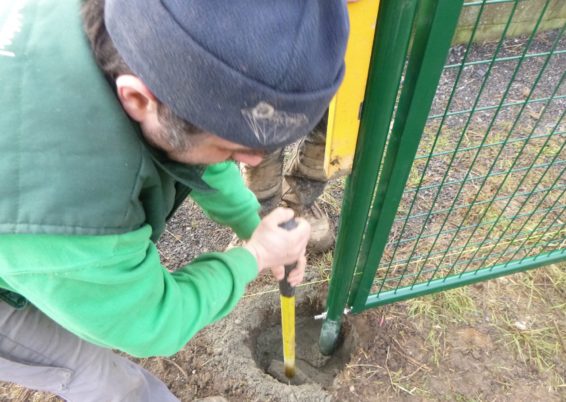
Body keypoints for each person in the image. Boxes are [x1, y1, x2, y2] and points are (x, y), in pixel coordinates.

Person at [0, 0, 349, 401]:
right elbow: (154, 321)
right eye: (233, 148)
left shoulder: (138, 37)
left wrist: (253, 222)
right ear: (138, 100)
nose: (253, 161)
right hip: (25, 228)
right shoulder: (67, 210)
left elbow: (192, 145)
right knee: (98, 375)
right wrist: (253, 256)